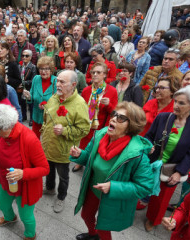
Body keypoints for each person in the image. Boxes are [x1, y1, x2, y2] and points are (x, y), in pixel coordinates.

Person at [70, 102, 154, 240]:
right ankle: (92, 235)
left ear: (130, 127)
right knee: (86, 216)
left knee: (103, 229)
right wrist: (80, 155)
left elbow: (145, 187)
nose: (114, 118)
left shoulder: (137, 155)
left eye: (121, 118)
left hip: (113, 197)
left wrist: (113, 187)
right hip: (93, 188)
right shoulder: (100, 136)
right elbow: (89, 159)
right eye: (114, 114)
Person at [0, 104, 50, 240]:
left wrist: (23, 174)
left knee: (26, 216)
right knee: (1, 204)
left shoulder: (29, 139)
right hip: (7, 181)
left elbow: (45, 168)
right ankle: (10, 218)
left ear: (7, 126)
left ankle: (30, 235)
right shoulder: (1, 134)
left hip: (25, 187)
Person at [143, 86, 190, 232]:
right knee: (142, 187)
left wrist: (179, 172)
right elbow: (148, 136)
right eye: (176, 101)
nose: (176, 106)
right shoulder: (163, 117)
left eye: (182, 103)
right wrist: (148, 146)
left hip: (172, 167)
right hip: (152, 162)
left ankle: (153, 219)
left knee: (162, 199)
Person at [41, 70, 90, 213]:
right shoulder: (55, 97)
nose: (58, 84)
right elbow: (47, 117)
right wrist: (44, 131)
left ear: (73, 85)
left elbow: (84, 130)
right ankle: (50, 188)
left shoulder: (80, 104)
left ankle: (61, 197)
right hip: (48, 145)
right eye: (57, 80)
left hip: (64, 150)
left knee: (63, 176)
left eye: (62, 82)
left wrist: (65, 131)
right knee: (48, 170)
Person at [75, 62, 118, 172]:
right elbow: (81, 108)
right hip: (87, 123)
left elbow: (115, 113)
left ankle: (93, 164)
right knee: (84, 143)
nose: (95, 74)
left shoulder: (112, 91)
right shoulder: (86, 90)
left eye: (98, 72)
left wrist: (109, 105)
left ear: (104, 75)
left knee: (98, 146)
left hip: (101, 125)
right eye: (93, 72)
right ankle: (80, 161)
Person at [22, 56, 57, 139]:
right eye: (41, 69)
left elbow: (59, 103)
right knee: (34, 141)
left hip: (50, 120)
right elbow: (31, 98)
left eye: (46, 69)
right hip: (36, 117)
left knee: (48, 143)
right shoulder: (36, 79)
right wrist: (29, 97)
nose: (43, 71)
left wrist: (47, 106)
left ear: (51, 70)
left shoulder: (56, 81)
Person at [19, 49, 37, 124]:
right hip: (20, 88)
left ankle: (32, 118)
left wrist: (23, 83)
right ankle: (24, 116)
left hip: (29, 88)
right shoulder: (19, 66)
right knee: (22, 102)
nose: (24, 57)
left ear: (30, 57)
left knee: (30, 104)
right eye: (23, 55)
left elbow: (33, 80)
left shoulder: (33, 67)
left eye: (26, 56)